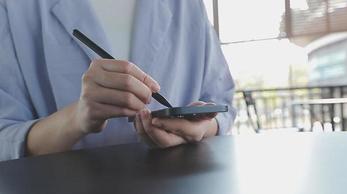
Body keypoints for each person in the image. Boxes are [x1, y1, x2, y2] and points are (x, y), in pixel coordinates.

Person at [0, 0, 236, 161]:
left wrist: (203, 126)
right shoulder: (14, 7)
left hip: (180, 186)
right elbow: (5, 138)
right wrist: (76, 119)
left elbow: (221, 103)